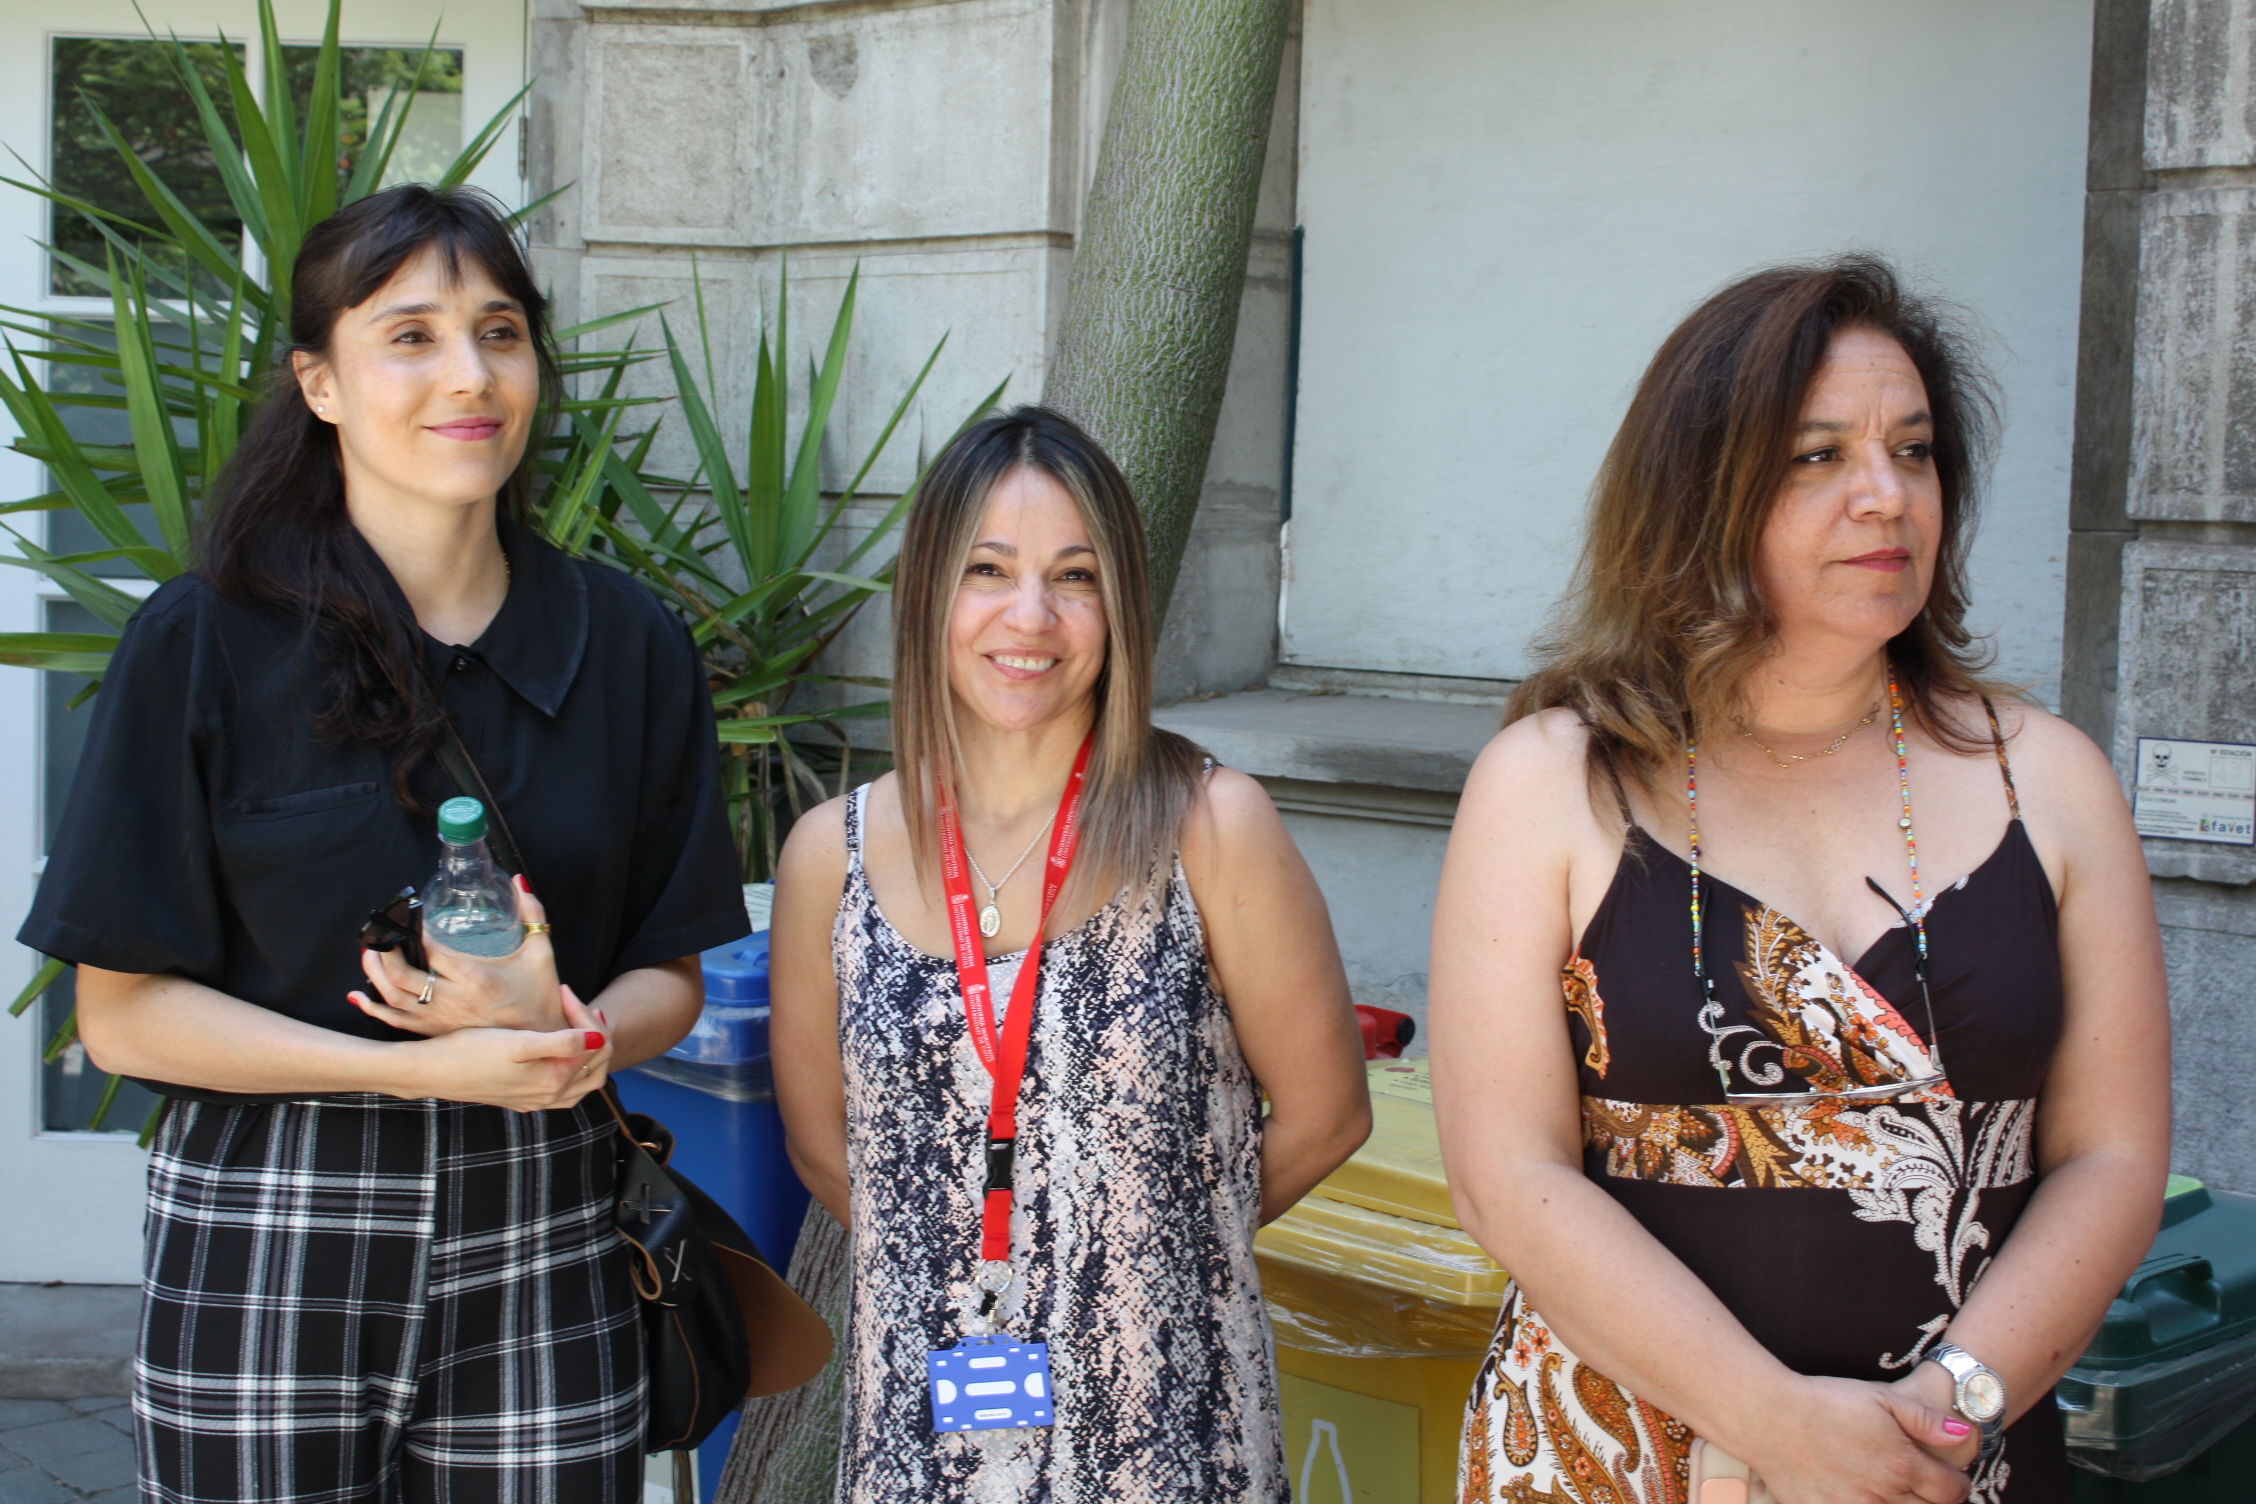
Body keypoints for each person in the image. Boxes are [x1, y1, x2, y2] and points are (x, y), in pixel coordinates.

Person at [22, 185, 750, 1503]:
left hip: (546, 1222)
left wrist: (574, 1039)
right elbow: (122, 1019)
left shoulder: (627, 644)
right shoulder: (203, 645)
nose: (469, 375)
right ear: (320, 382)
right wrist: (417, 1070)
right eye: (410, 335)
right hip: (272, 1224)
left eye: (500, 332)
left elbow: (673, 974)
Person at [1431, 257, 2170, 1504]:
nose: (1887, 495)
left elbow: (2111, 1156)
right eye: (1818, 456)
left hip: (1949, 1468)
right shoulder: (1553, 781)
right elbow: (1507, 1174)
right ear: (1699, 493)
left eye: (1914, 451)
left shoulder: (2047, 781)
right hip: (1625, 1461)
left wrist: (1944, 1415)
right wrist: (1778, 1427)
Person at [768, 404, 1372, 1501]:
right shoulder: (831, 854)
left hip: (1166, 1437)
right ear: (926, 593)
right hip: (922, 1439)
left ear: (1119, 605)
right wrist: (987, 1268)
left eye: (1075, 577)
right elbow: (825, 1150)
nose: (1030, 616)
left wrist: (1139, 1257)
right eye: (988, 570)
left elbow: (1328, 1114)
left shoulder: (1210, 826)